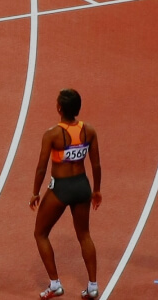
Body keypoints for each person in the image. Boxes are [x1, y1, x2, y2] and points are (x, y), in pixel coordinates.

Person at [30, 89, 103, 299]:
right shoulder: (89, 131)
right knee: (84, 235)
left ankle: (55, 285)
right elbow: (96, 164)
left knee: (40, 233)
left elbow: (41, 168)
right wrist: (96, 189)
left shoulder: (52, 134)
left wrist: (35, 192)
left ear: (59, 108)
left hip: (61, 188)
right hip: (82, 186)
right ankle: (93, 286)